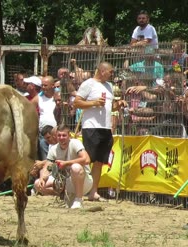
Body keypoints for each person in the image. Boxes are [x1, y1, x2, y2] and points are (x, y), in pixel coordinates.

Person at [73, 62, 127, 201]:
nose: (112, 74)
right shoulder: (88, 84)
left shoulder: (109, 86)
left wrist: (119, 104)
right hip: (91, 126)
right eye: (110, 72)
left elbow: (111, 107)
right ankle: (76, 189)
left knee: (99, 162)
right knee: (87, 159)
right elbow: (77, 103)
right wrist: (94, 103)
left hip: (105, 127)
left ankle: (93, 192)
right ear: (102, 71)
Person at [34, 124, 92, 209]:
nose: (61, 138)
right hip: (66, 182)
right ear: (56, 136)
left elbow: (86, 159)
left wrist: (66, 163)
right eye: (59, 135)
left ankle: (79, 200)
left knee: (75, 167)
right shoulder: (53, 149)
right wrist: (42, 178)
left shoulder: (75, 143)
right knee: (37, 183)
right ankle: (63, 195)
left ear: (69, 135)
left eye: (64, 135)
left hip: (84, 182)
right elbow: (47, 166)